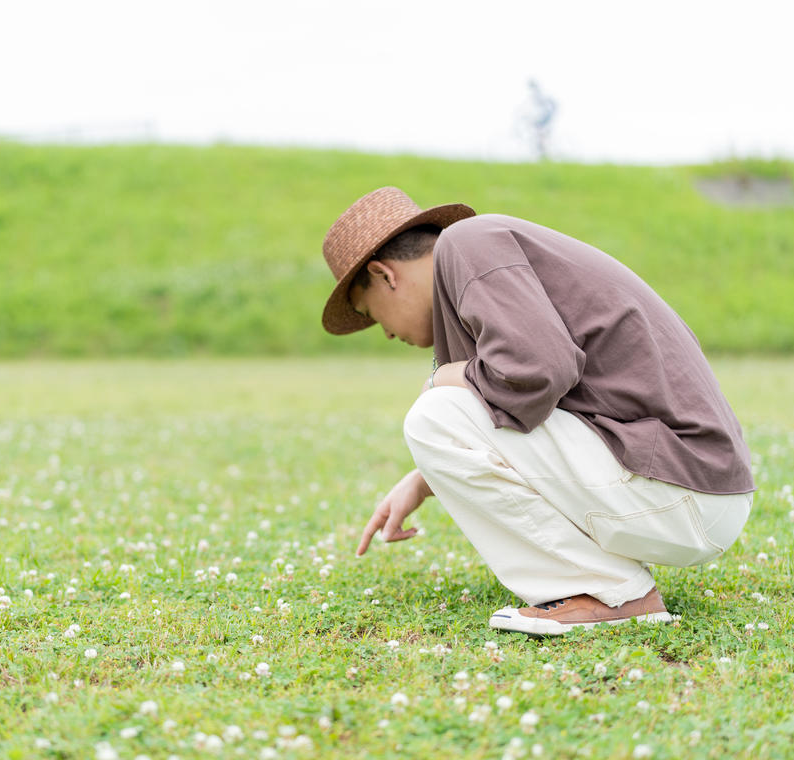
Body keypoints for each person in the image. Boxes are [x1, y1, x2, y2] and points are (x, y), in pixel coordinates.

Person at [320, 187, 754, 636]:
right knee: (445, 409)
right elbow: (533, 396)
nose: (385, 334)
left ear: (384, 274)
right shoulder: (483, 257)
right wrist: (425, 477)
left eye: (369, 311)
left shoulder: (467, 244)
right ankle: (609, 588)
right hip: (696, 486)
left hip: (680, 487)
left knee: (435, 412)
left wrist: (442, 380)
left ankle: (609, 592)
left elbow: (538, 370)